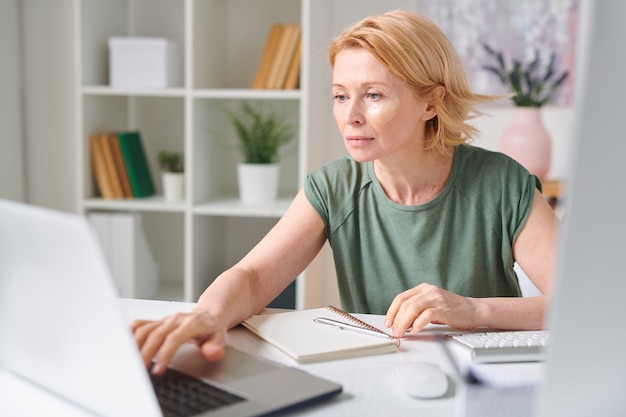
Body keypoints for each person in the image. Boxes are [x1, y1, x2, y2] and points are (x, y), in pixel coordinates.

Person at [133, 10, 559, 375]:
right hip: (380, 377)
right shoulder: (333, 186)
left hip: (483, 380)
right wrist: (206, 314)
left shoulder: (503, 184)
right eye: (340, 96)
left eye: (373, 95)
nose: (350, 116)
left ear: (431, 104)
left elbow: (578, 305)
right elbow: (254, 277)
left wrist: (475, 311)